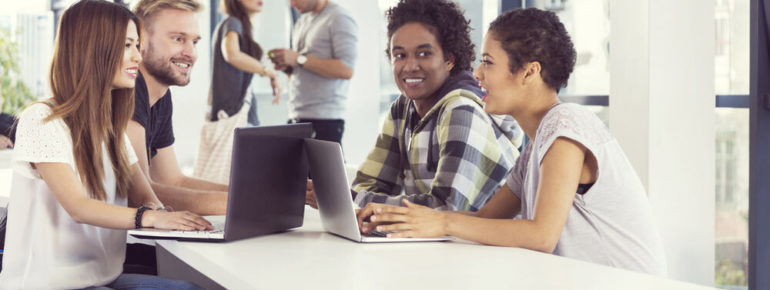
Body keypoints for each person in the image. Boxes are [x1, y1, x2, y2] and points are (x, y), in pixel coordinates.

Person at [356, 8, 667, 276]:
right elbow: (486, 219)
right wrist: (402, 219)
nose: (477, 73)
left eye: (488, 62)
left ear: (529, 72)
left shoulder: (567, 126)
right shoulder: (536, 146)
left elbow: (541, 235)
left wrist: (444, 223)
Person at [0, 1, 211, 288]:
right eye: (127, 45)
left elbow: (145, 198)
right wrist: (147, 218)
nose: (138, 55)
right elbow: (79, 207)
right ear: (92, 48)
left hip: (101, 278)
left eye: (137, 45)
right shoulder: (42, 119)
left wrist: (168, 216)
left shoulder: (111, 131)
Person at [330, 0, 520, 212]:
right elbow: (368, 183)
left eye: (424, 54)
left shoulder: (462, 110)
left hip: (488, 244)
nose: (410, 66)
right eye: (400, 55)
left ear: (449, 59)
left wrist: (355, 201)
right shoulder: (403, 108)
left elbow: (445, 209)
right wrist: (362, 205)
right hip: (442, 243)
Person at [128, 0, 228, 216]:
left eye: (194, 42)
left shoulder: (161, 96)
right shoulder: (129, 89)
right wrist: (255, 200)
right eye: (178, 39)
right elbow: (140, 194)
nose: (191, 53)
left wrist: (256, 193)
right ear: (140, 40)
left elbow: (172, 180)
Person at [267, 0, 357, 144]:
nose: (291, 4)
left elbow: (346, 70)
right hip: (296, 115)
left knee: (326, 167)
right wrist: (288, 68)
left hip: (324, 120)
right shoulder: (301, 22)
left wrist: (298, 59)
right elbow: (301, 67)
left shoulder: (339, 17)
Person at [211, 0, 282, 126]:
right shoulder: (233, 22)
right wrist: (269, 73)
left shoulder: (240, 26)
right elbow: (232, 55)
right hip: (234, 115)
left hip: (239, 114)